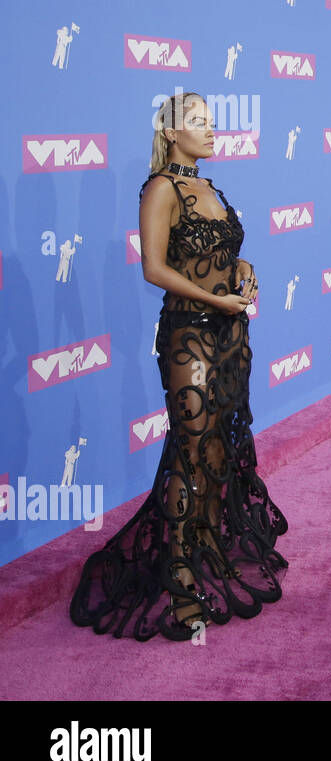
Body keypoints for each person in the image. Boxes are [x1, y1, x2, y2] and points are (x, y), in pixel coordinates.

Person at [70, 93, 287, 640]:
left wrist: (243, 267)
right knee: (189, 449)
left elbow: (219, 254)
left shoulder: (211, 189)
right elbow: (154, 267)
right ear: (170, 133)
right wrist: (215, 301)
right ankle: (176, 569)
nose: (211, 131)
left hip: (232, 336)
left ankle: (205, 546)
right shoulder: (161, 188)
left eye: (212, 122)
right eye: (198, 123)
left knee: (218, 447)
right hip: (189, 335)